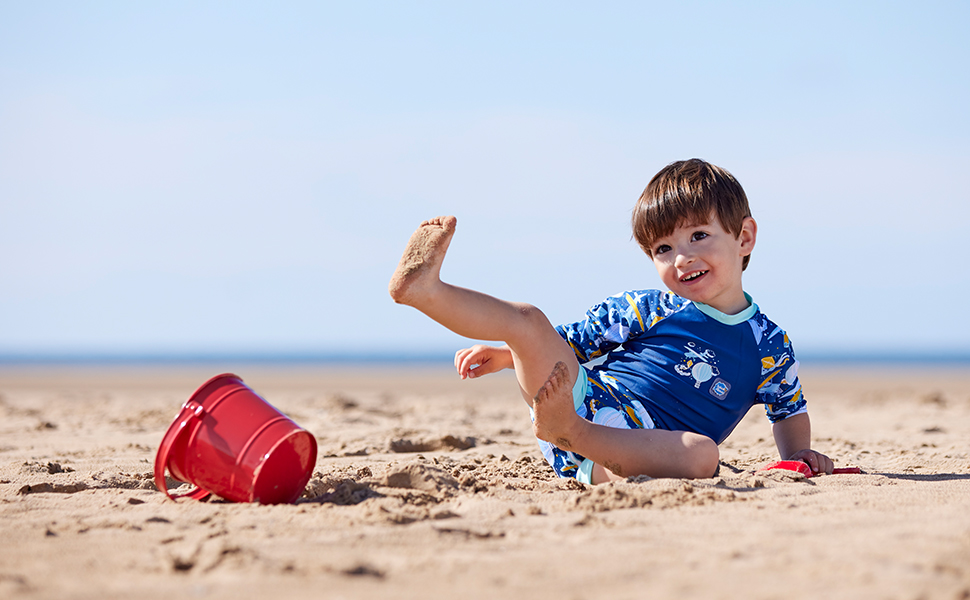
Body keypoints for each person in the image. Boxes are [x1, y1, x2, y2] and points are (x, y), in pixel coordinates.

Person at [388, 158, 833, 484]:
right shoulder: (650, 306)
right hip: (575, 398)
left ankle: (576, 442)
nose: (682, 258)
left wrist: (798, 456)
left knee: (702, 457)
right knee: (527, 321)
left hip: (631, 451)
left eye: (699, 236)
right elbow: (572, 341)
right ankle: (426, 291)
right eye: (663, 249)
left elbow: (788, 410)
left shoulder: (767, 343)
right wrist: (509, 355)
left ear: (744, 237)